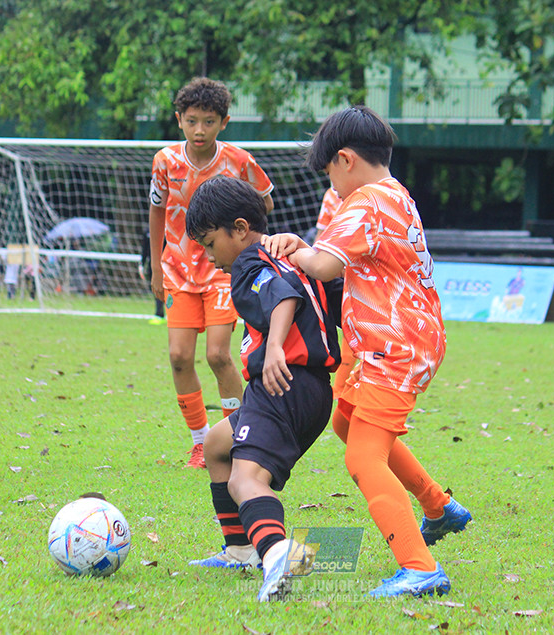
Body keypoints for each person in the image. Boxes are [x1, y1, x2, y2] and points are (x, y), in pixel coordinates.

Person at [262, 106, 472, 598]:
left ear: (346, 159)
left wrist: (288, 249)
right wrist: (306, 249)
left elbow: (325, 266)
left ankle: (420, 568)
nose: (330, 183)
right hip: (398, 342)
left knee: (362, 457)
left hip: (394, 348)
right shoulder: (395, 194)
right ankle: (439, 508)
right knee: (346, 422)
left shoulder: (366, 201)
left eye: (329, 172)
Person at [183, 175, 341, 601]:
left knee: (246, 479)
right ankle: (240, 550)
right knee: (218, 444)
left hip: (282, 383)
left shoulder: (251, 265)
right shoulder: (293, 256)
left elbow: (284, 297)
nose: (210, 257)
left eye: (210, 244)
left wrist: (273, 348)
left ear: (238, 229)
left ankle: (276, 555)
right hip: (312, 390)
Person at [149, 77, 275, 469]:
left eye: (208, 121)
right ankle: (201, 442)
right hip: (177, 271)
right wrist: (156, 266)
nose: (199, 129)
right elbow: (155, 211)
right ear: (179, 120)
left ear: (224, 121)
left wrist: (247, 249)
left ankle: (237, 435)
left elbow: (265, 204)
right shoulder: (165, 162)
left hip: (224, 271)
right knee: (178, 356)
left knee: (219, 355)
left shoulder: (238, 161)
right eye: (191, 121)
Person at [314, 186, 355, 399]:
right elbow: (322, 236)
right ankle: (339, 390)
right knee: (348, 328)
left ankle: (341, 390)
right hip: (338, 276)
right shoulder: (331, 195)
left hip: (361, 278)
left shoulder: (370, 196)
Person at [138, 228, 166, 325]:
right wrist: (142, 264)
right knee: (157, 289)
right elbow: (145, 249)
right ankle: (159, 314)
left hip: (170, 265)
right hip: (154, 266)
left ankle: (171, 313)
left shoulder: (170, 230)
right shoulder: (148, 231)